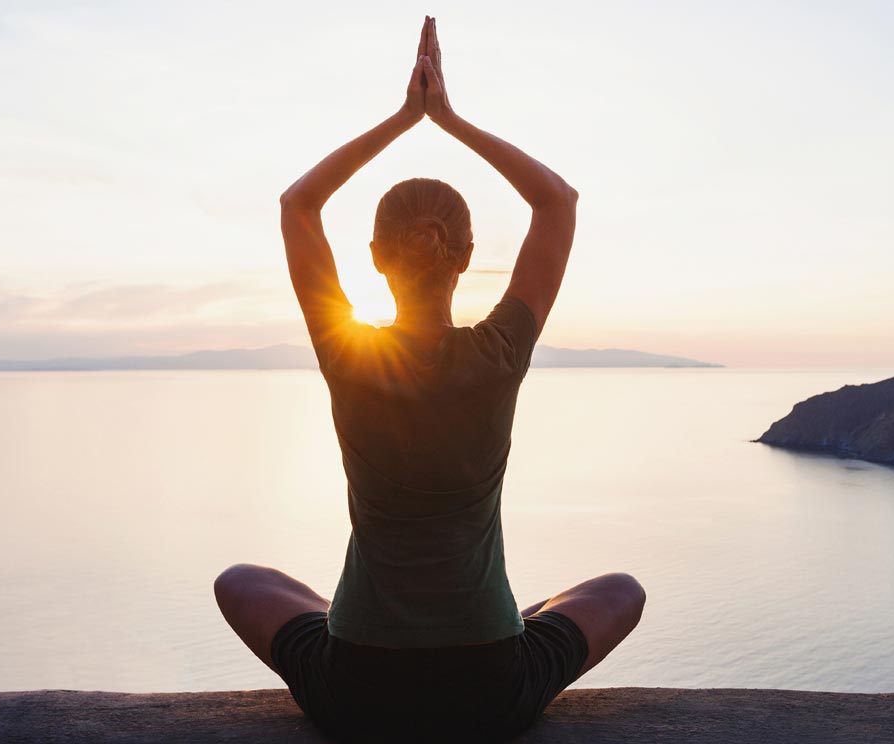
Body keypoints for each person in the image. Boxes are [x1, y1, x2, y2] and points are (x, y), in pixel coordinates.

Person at [215, 17, 645, 743]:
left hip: (360, 686)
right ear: (467, 255)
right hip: (489, 687)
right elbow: (558, 203)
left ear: (377, 257)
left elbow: (298, 207)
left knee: (240, 582)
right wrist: (448, 119)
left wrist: (403, 118)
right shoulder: (500, 351)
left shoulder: (348, 353)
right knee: (620, 592)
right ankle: (495, 620)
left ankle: (367, 620)